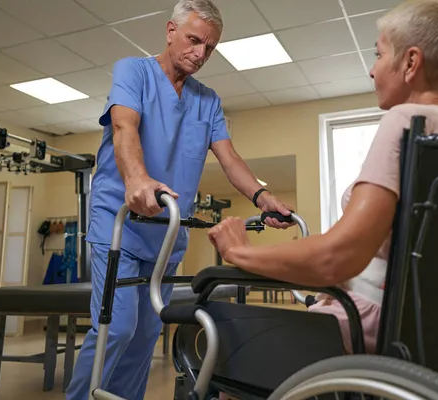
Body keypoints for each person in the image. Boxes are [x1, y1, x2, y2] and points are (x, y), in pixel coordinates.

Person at [208, 0, 438, 355]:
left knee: (221, 345)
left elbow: (337, 256)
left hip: (370, 325)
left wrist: (238, 252)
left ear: (411, 63)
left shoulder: (407, 122)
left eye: (379, 55)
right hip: (425, 332)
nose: (372, 70)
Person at [65, 1, 293, 398]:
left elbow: (229, 157)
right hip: (119, 226)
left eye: (210, 47)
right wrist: (137, 179)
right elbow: (124, 127)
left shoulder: (208, 100)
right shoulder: (132, 71)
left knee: (146, 334)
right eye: (193, 40)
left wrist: (262, 196)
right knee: (117, 327)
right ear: (171, 31)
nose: (200, 54)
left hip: (166, 236)